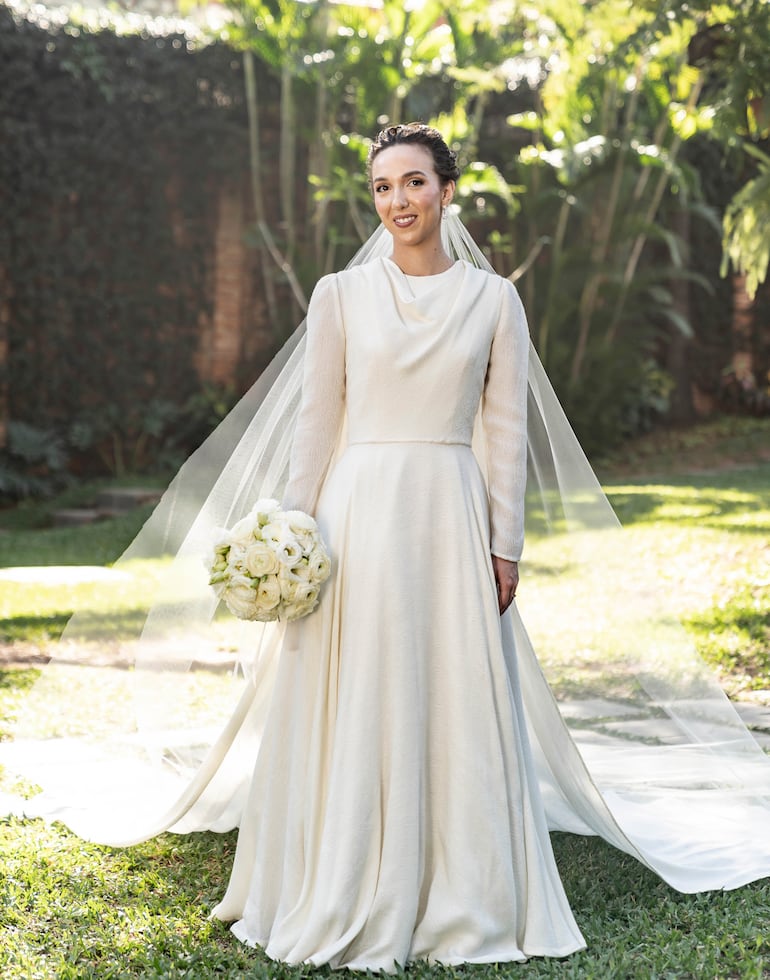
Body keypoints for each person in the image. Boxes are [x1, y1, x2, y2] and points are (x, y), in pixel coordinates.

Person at [4, 122, 770, 971]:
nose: (397, 201)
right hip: (353, 511)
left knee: (445, 681)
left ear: (447, 191)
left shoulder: (494, 301)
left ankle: (459, 876)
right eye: (381, 188)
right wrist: (292, 535)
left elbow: (505, 432)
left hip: (447, 509)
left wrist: (504, 545)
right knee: (353, 680)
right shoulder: (338, 294)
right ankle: (338, 862)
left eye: (413, 183)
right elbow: (317, 419)